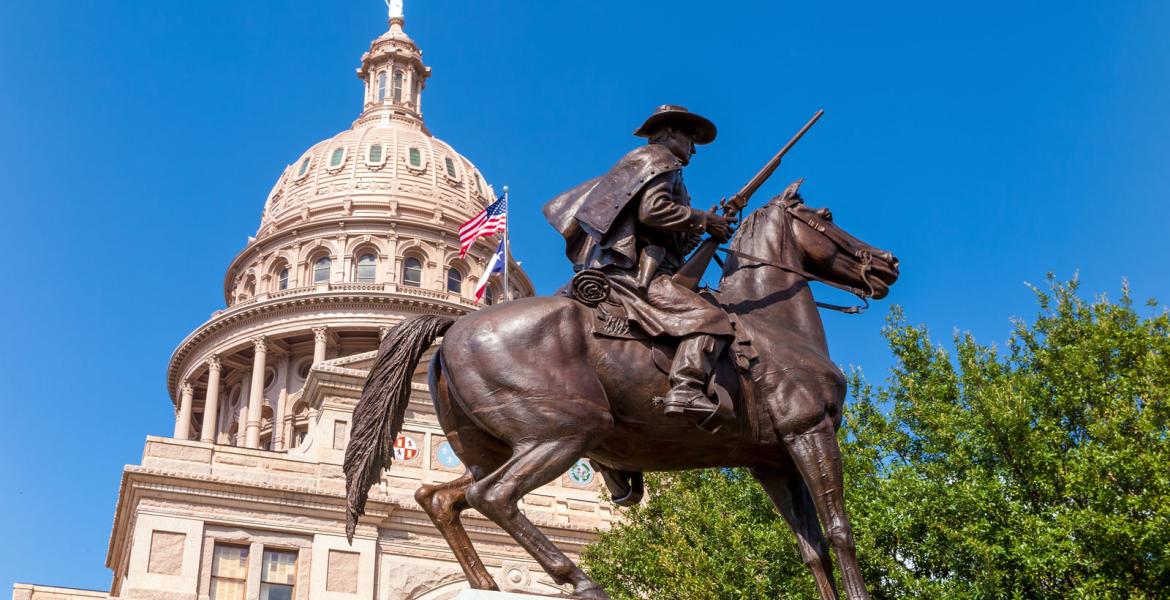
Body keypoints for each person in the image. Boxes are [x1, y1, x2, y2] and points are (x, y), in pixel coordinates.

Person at [543, 105, 736, 416]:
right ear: (670, 131)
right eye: (689, 137)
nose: (694, 149)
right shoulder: (661, 160)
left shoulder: (652, 164)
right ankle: (686, 387)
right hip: (635, 274)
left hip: (646, 265)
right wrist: (703, 219)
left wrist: (709, 227)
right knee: (712, 318)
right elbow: (652, 211)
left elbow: (663, 235)